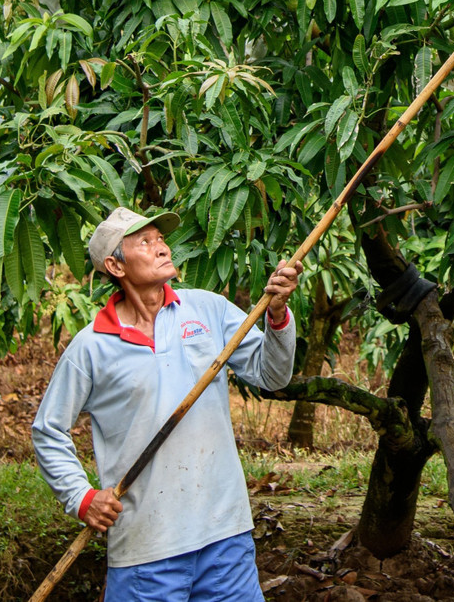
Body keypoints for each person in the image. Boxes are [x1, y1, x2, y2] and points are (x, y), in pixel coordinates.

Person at [32, 205, 300, 602]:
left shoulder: (206, 310)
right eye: (144, 242)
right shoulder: (91, 347)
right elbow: (48, 429)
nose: (161, 247)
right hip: (147, 548)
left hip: (224, 535)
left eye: (160, 238)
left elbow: (271, 375)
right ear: (116, 266)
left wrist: (276, 314)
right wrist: (82, 498)